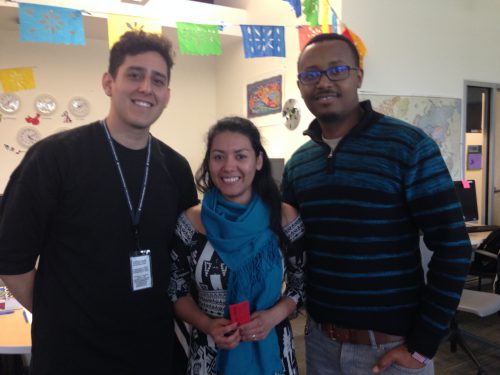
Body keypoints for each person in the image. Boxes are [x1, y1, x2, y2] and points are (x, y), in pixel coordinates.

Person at [0, 31, 198, 375]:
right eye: (134, 75)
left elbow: (183, 258)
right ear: (108, 82)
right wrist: (63, 314)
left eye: (158, 80)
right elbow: (12, 261)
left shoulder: (176, 168)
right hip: (71, 356)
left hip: (152, 352)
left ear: (167, 95)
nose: (146, 88)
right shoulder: (54, 158)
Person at [282, 33, 473, 375]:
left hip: (392, 348)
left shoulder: (408, 146)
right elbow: (290, 247)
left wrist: (423, 344)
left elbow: (454, 246)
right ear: (300, 84)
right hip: (320, 342)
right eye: (311, 75)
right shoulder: (299, 164)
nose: (323, 82)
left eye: (337, 70)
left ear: (359, 75)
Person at [168, 116, 305, 375]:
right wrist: (208, 324)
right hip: (210, 353)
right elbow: (177, 290)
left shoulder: (285, 218)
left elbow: (301, 284)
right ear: (209, 162)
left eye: (240, 156)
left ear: (259, 161)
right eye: (219, 157)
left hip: (272, 351)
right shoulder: (190, 222)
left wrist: (272, 317)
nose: (229, 167)